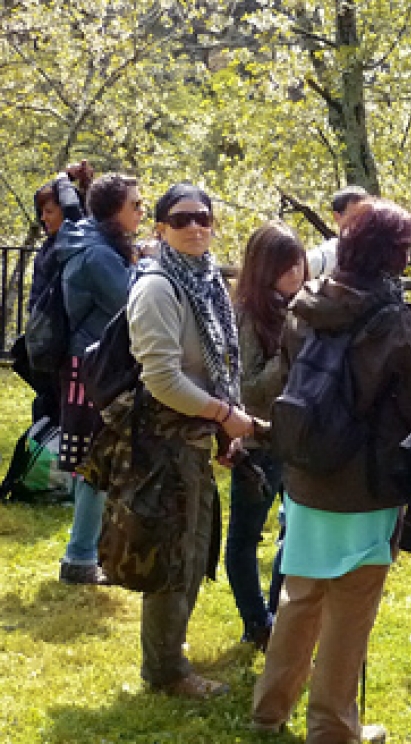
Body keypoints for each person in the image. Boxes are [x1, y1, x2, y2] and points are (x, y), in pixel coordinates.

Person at [251, 198, 411, 739]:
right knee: (350, 610)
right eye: (404, 251)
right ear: (390, 256)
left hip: (306, 475)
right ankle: (332, 726)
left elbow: (289, 381)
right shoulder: (396, 322)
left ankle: (270, 711)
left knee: (300, 594)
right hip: (366, 486)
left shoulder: (304, 308)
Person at [128, 182, 254, 698]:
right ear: (159, 230)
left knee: (192, 547)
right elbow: (161, 378)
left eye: (203, 217)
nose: (196, 226)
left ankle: (169, 662)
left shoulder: (205, 282)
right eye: (181, 219)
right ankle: (166, 672)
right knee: (173, 556)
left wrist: (226, 420)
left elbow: (222, 361)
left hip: (196, 437)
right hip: (163, 440)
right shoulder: (158, 287)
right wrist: (224, 414)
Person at [56, 173, 142, 585]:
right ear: (114, 212)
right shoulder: (98, 254)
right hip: (94, 368)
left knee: (94, 462)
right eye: (136, 206)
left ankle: (86, 551)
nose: (142, 212)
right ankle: (80, 556)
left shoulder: (92, 243)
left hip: (88, 365)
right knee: (96, 463)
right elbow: (133, 304)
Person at [226, 220, 307, 651]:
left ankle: (275, 618)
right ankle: (256, 622)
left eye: (300, 265)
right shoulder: (248, 316)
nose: (297, 275)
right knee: (244, 538)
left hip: (292, 442)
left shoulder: (299, 310)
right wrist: (289, 351)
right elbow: (251, 387)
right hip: (255, 442)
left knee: (293, 536)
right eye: (286, 267)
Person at [27, 162, 92, 425]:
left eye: (49, 211)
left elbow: (76, 214)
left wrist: (63, 179)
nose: (43, 217)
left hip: (61, 340)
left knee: (56, 408)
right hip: (44, 337)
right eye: (41, 212)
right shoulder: (49, 245)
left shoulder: (70, 244)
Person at [306, 185, 369, 280]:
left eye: (367, 216)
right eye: (355, 217)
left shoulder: (379, 258)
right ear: (337, 217)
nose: (362, 222)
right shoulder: (320, 259)